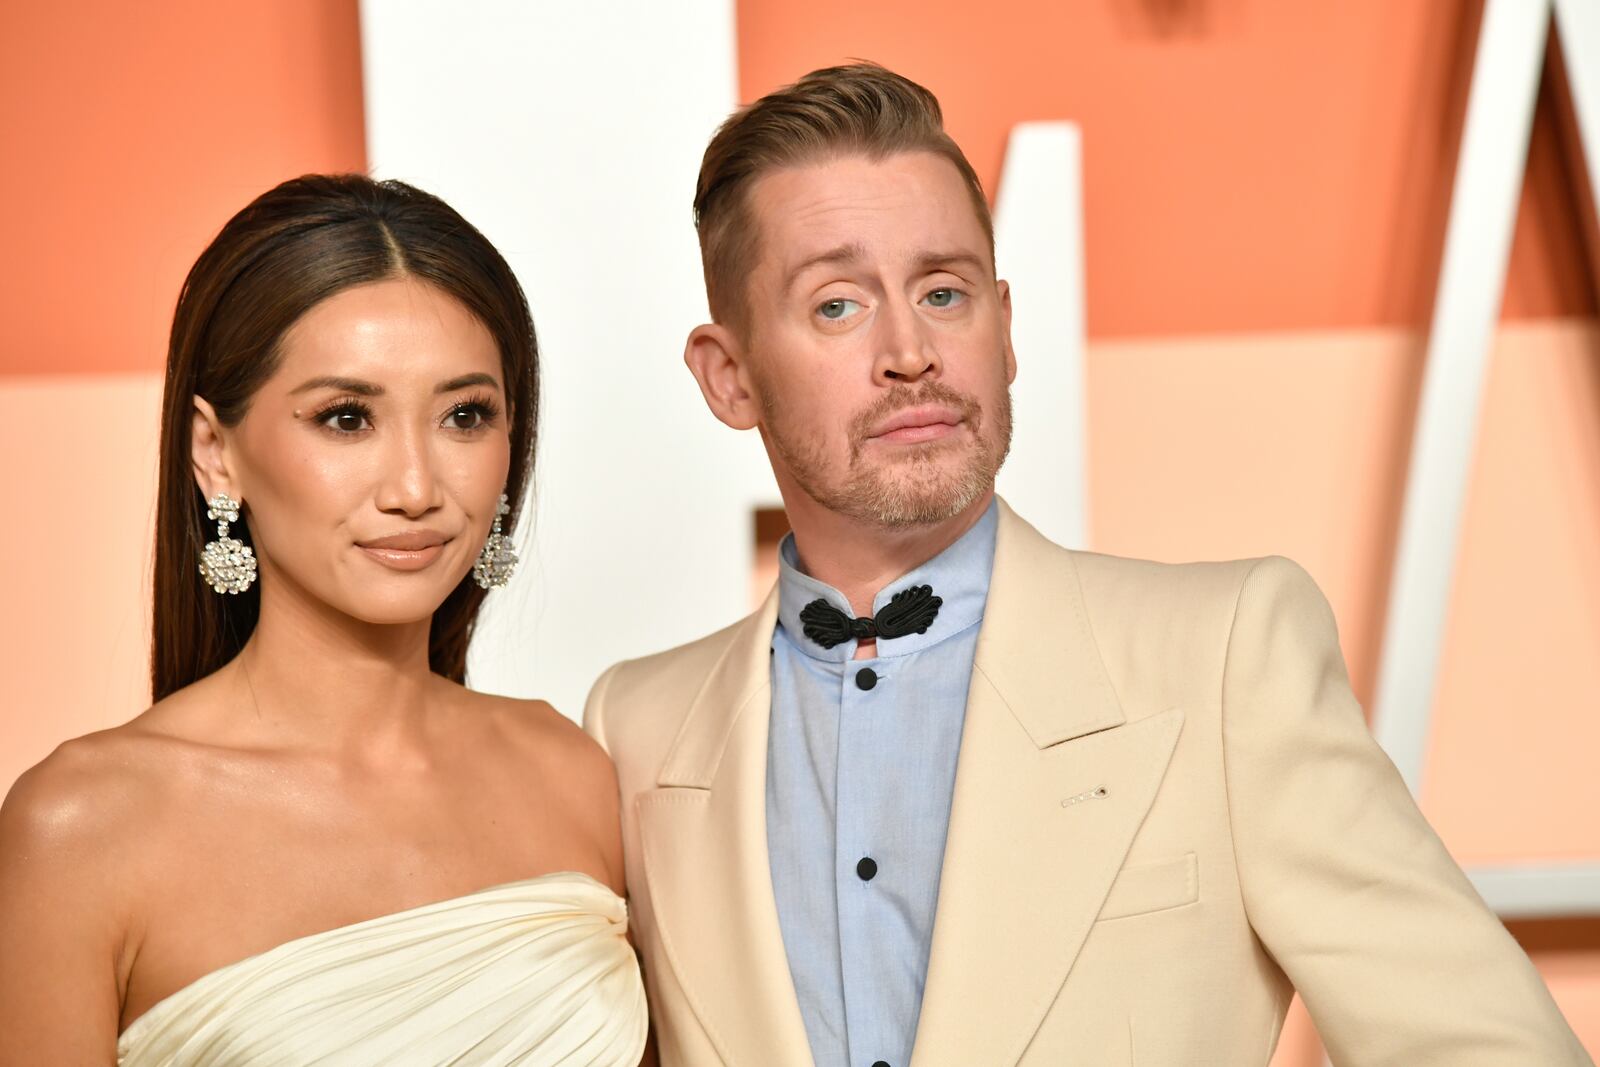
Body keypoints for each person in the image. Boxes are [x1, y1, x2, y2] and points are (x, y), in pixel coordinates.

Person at [583, 64, 1591, 1066]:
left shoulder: (1222, 655)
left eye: (944, 291)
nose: (911, 350)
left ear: (1005, 325)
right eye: (838, 305)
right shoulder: (634, 730)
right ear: (729, 376)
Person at [0, 175, 646, 1065]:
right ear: (214, 452)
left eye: (465, 415)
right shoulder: (82, 828)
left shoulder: (577, 776)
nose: (416, 488)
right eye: (347, 418)